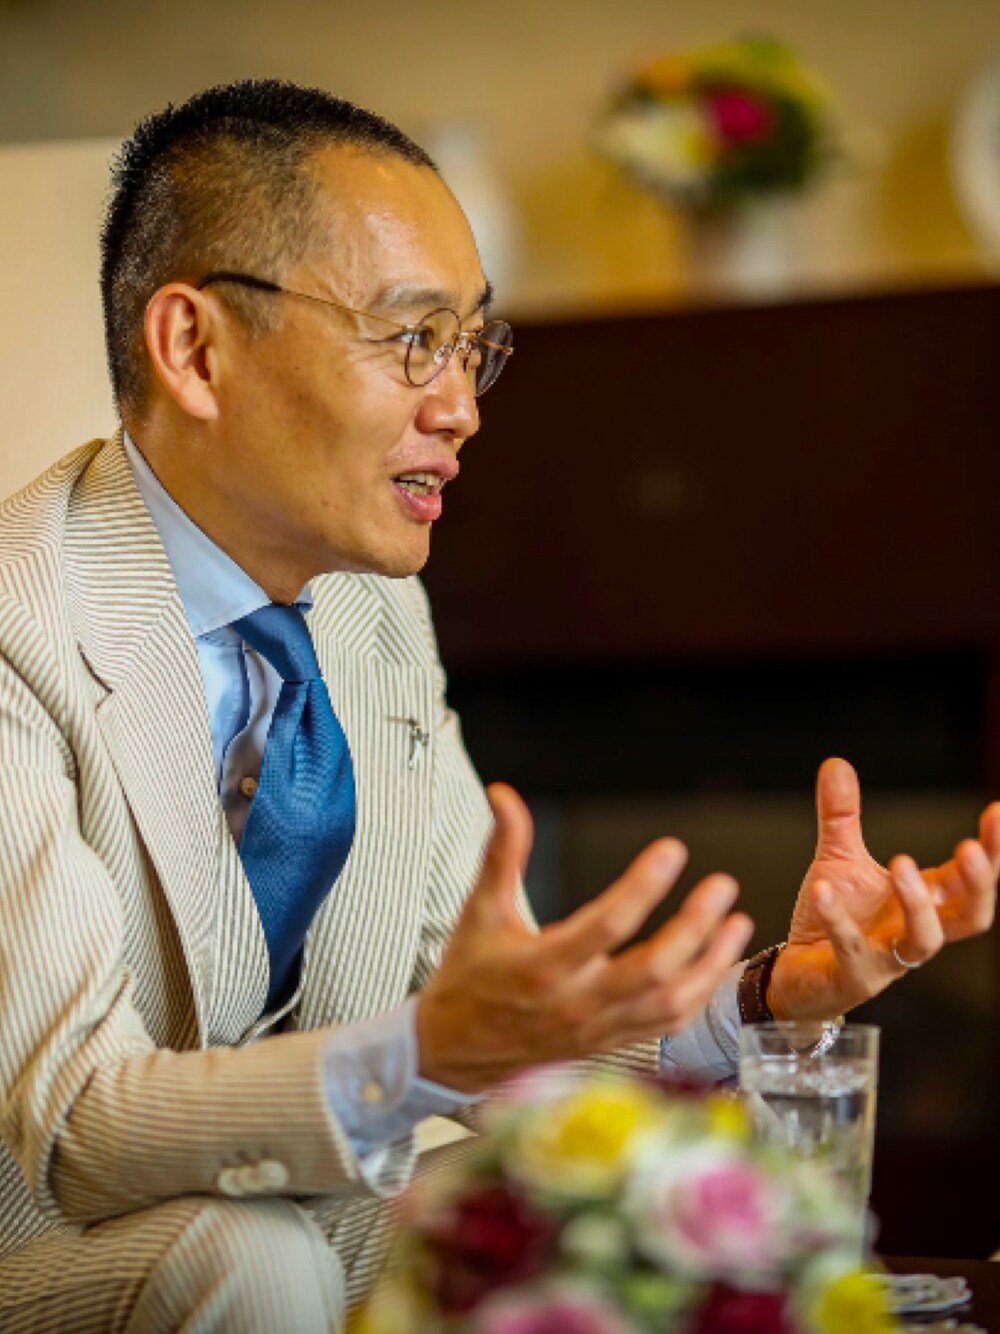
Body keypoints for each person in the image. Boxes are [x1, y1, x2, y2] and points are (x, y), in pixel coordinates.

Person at [0, 78, 995, 1334]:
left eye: (471, 345)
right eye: (412, 337)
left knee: (605, 1208)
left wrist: (766, 997)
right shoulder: (19, 624)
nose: (461, 407)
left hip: (287, 1214)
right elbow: (76, 1130)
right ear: (197, 349)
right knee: (245, 1254)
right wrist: (426, 1050)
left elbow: (496, 1029)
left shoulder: (371, 614)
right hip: (44, 1243)